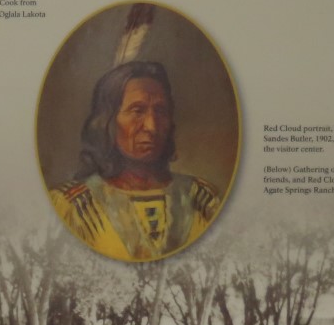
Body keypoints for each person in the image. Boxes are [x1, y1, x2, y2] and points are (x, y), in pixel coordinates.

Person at [48, 49, 224, 262]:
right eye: (137, 110)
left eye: (160, 111)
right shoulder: (72, 207)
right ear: (108, 122)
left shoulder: (203, 200)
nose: (151, 126)